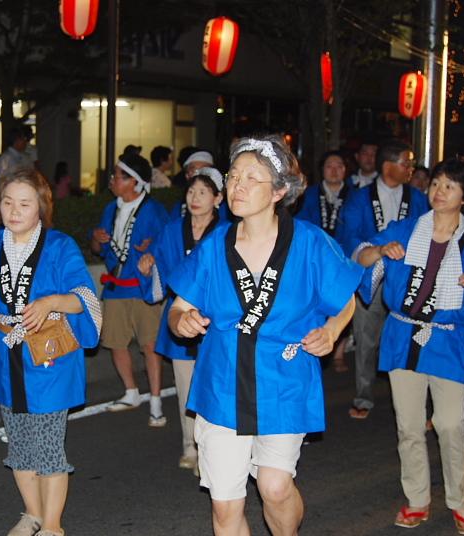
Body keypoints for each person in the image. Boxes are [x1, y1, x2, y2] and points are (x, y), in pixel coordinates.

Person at [168, 135, 361, 536]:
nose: (237, 186)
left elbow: (346, 299)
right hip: (223, 383)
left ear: (278, 191)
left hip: (283, 380)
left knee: (274, 487)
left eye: (251, 178)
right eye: (233, 176)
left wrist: (331, 330)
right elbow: (179, 307)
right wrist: (181, 320)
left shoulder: (309, 242)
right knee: (225, 507)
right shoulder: (214, 245)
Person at [354, 159, 464, 534]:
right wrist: (381, 251)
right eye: (437, 183)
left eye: (450, 186)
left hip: (448, 339)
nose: (439, 191)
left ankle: (459, 501)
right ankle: (417, 500)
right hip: (402, 336)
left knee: (450, 424)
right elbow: (360, 255)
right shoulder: (406, 229)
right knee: (409, 426)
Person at [0, 168, 101, 536]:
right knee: (18, 443)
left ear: (41, 208)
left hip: (50, 356)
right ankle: (33, 514)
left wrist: (51, 301)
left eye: (24, 203)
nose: (14, 211)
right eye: (7, 203)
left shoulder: (60, 246)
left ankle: (52, 526)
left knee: (48, 446)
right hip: (7, 356)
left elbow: (84, 297)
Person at [136, 166, 225, 474]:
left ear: (218, 199)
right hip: (180, 316)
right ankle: (190, 446)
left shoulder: (228, 232)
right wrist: (149, 266)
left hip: (217, 319)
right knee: (186, 387)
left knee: (214, 387)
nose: (195, 198)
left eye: (203, 192)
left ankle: (211, 451)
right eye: (191, 191)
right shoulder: (173, 229)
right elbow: (158, 265)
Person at [336, 139, 430, 419]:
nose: (411, 168)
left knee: (409, 338)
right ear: (388, 165)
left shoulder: (417, 198)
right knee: (366, 338)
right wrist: (372, 252)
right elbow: (349, 236)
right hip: (371, 276)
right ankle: (363, 397)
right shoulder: (359, 198)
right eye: (406, 163)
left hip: (406, 278)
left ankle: (413, 402)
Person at [91, 152, 170, 426]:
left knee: (150, 344)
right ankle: (131, 391)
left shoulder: (154, 210)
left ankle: (156, 401)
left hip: (142, 287)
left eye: (117, 176)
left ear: (134, 182)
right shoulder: (110, 209)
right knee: (115, 341)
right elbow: (97, 249)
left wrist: (152, 248)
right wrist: (97, 239)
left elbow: (168, 245)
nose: (112, 180)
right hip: (115, 286)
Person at [295, 151, 352, 373]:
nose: (334, 170)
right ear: (322, 170)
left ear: (345, 170)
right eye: (329, 166)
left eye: (339, 166)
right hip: (316, 258)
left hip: (344, 257)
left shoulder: (355, 194)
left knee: (343, 301)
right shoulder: (309, 194)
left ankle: (339, 351)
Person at [171, 150, 230, 221]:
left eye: (205, 170)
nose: (199, 174)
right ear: (187, 175)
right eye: (194, 170)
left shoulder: (226, 211)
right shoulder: (178, 208)